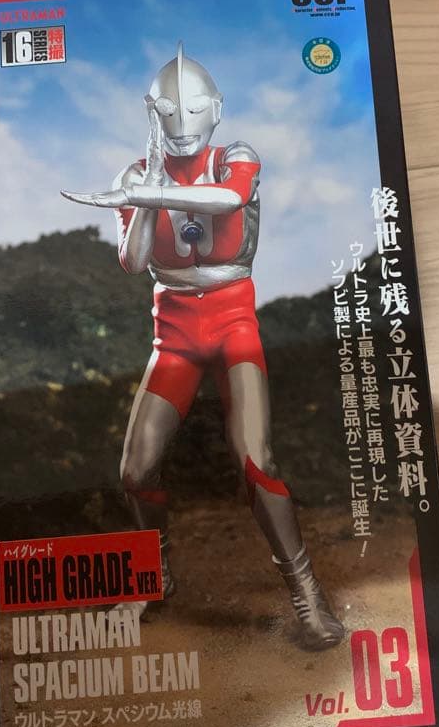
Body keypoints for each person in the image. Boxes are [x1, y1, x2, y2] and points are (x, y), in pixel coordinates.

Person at [62, 42, 344, 649]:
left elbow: (229, 200)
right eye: (170, 111)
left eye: (194, 110)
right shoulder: (134, 176)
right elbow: (134, 262)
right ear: (152, 112)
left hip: (233, 321)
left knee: (255, 458)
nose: (183, 123)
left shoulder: (235, 157)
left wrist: (151, 196)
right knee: (135, 468)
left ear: (216, 108)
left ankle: (307, 595)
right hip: (174, 333)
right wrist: (145, 189)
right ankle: (155, 574)